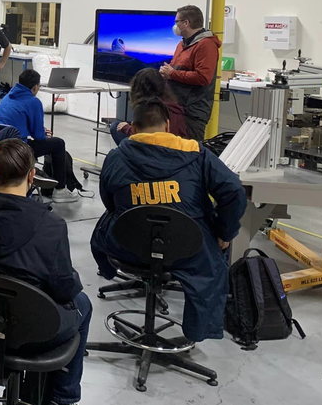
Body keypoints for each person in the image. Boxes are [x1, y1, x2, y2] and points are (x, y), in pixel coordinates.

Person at [90, 98, 247, 342]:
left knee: (105, 222)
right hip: (188, 250)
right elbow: (234, 192)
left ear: (134, 126)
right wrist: (224, 232)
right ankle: (200, 329)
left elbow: (108, 202)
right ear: (167, 125)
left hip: (127, 247)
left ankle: (108, 270)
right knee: (216, 252)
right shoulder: (197, 155)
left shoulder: (116, 157)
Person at [0, 140, 91, 405]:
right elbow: (63, 290)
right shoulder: (50, 225)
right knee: (83, 304)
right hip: (36, 332)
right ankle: (62, 397)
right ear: (31, 175)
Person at [0, 69, 82, 200]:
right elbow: (39, 136)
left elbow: (17, 121)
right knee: (58, 143)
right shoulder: (33, 101)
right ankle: (60, 190)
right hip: (16, 149)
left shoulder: (8, 96)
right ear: (35, 87)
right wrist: (41, 131)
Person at [160, 5, 222, 142]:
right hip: (176, 107)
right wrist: (166, 72)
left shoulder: (206, 45)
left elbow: (203, 77)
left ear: (186, 23)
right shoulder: (182, 44)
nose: (175, 25)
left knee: (190, 152)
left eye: (177, 22)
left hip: (192, 112)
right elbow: (177, 68)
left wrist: (172, 74)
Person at [110, 68, 189, 145]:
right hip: (178, 149)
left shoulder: (152, 108)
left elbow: (150, 136)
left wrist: (127, 128)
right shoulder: (172, 104)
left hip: (161, 150)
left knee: (116, 126)